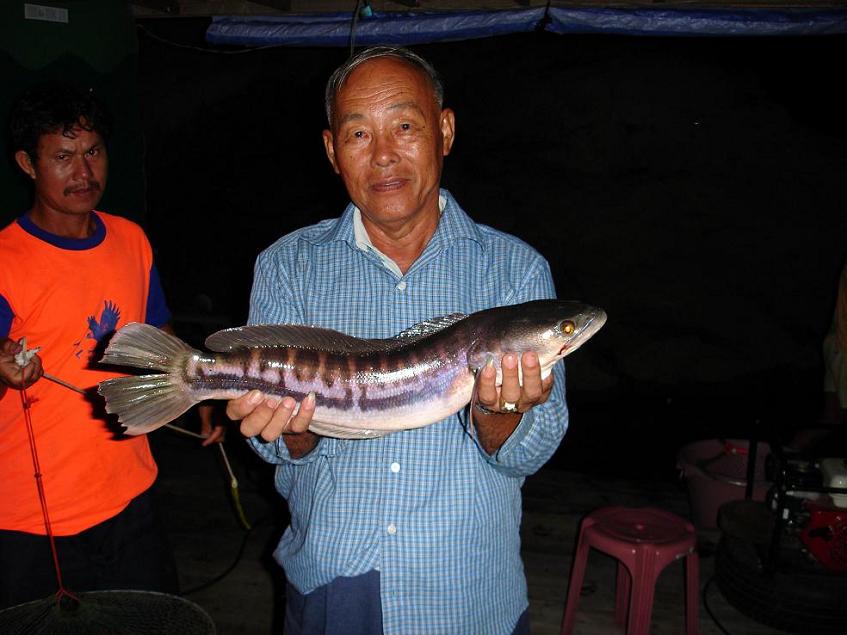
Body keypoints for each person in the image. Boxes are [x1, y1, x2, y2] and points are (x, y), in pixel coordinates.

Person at [226, 47, 568, 634]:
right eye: (359, 133)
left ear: (445, 130)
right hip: (336, 577)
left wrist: (498, 411)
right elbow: (282, 451)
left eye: (405, 126)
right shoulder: (286, 266)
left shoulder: (516, 272)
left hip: (465, 587)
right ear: (333, 152)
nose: (384, 154)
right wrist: (290, 425)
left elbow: (532, 451)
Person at [0, 83, 223, 609]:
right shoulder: (6, 258)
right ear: (28, 164)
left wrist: (199, 391)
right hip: (32, 522)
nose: (83, 172)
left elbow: (159, 337)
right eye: (62, 156)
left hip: (130, 500)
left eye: (93, 152)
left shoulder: (130, 240)